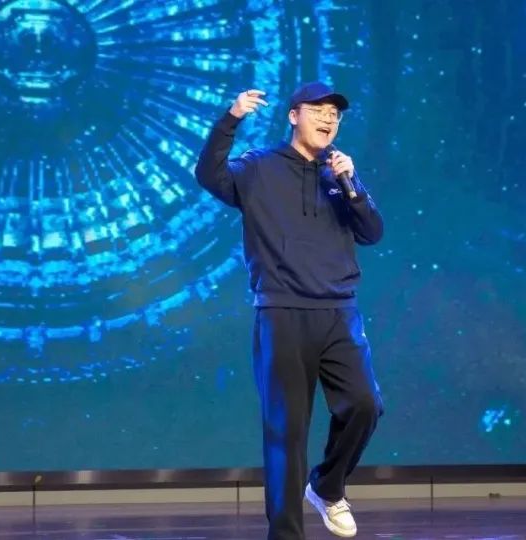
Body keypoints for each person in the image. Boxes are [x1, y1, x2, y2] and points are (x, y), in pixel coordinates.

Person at [194, 81, 385, 539]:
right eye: (317, 110)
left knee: (365, 405)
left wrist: (352, 185)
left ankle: (328, 486)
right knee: (287, 432)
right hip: (282, 311)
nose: (328, 118)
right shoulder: (259, 166)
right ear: (293, 116)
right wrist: (231, 118)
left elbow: (372, 233)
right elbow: (209, 175)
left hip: (339, 311)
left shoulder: (338, 173)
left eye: (335, 114)